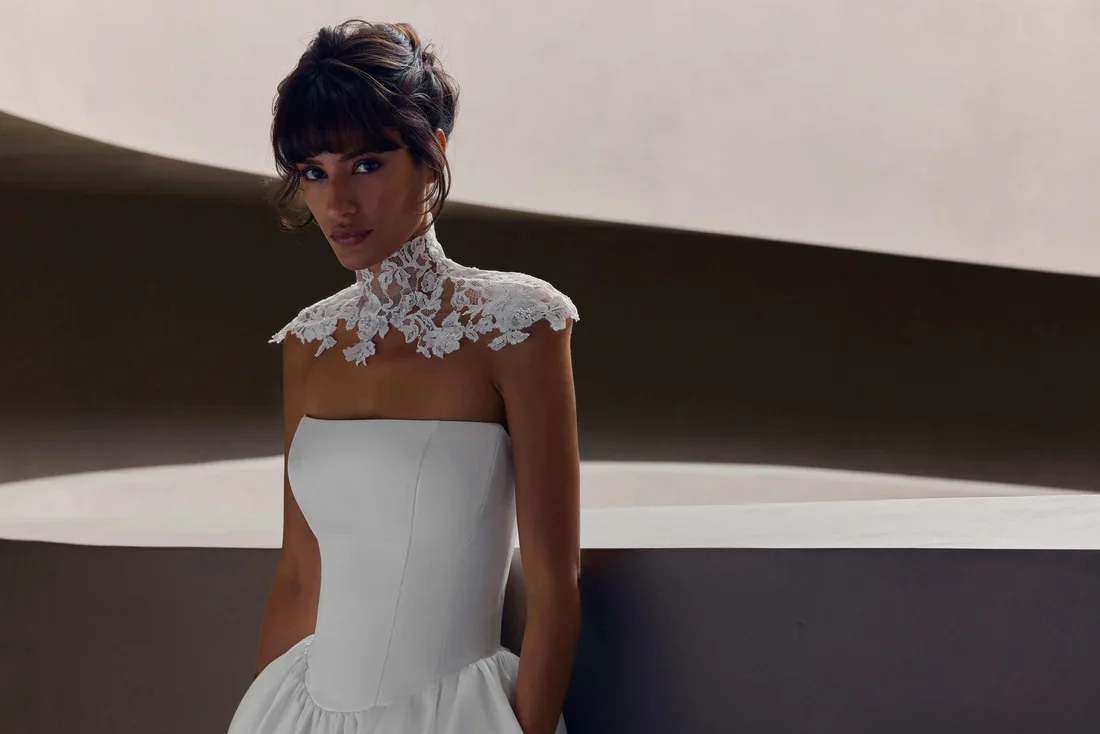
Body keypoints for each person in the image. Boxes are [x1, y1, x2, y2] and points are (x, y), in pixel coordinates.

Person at [225, 19, 580, 734]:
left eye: (365, 165)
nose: (337, 204)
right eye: (313, 173)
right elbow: (299, 577)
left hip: (458, 716)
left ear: (432, 154)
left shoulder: (519, 325)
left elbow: (554, 586)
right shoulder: (309, 341)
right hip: (298, 714)